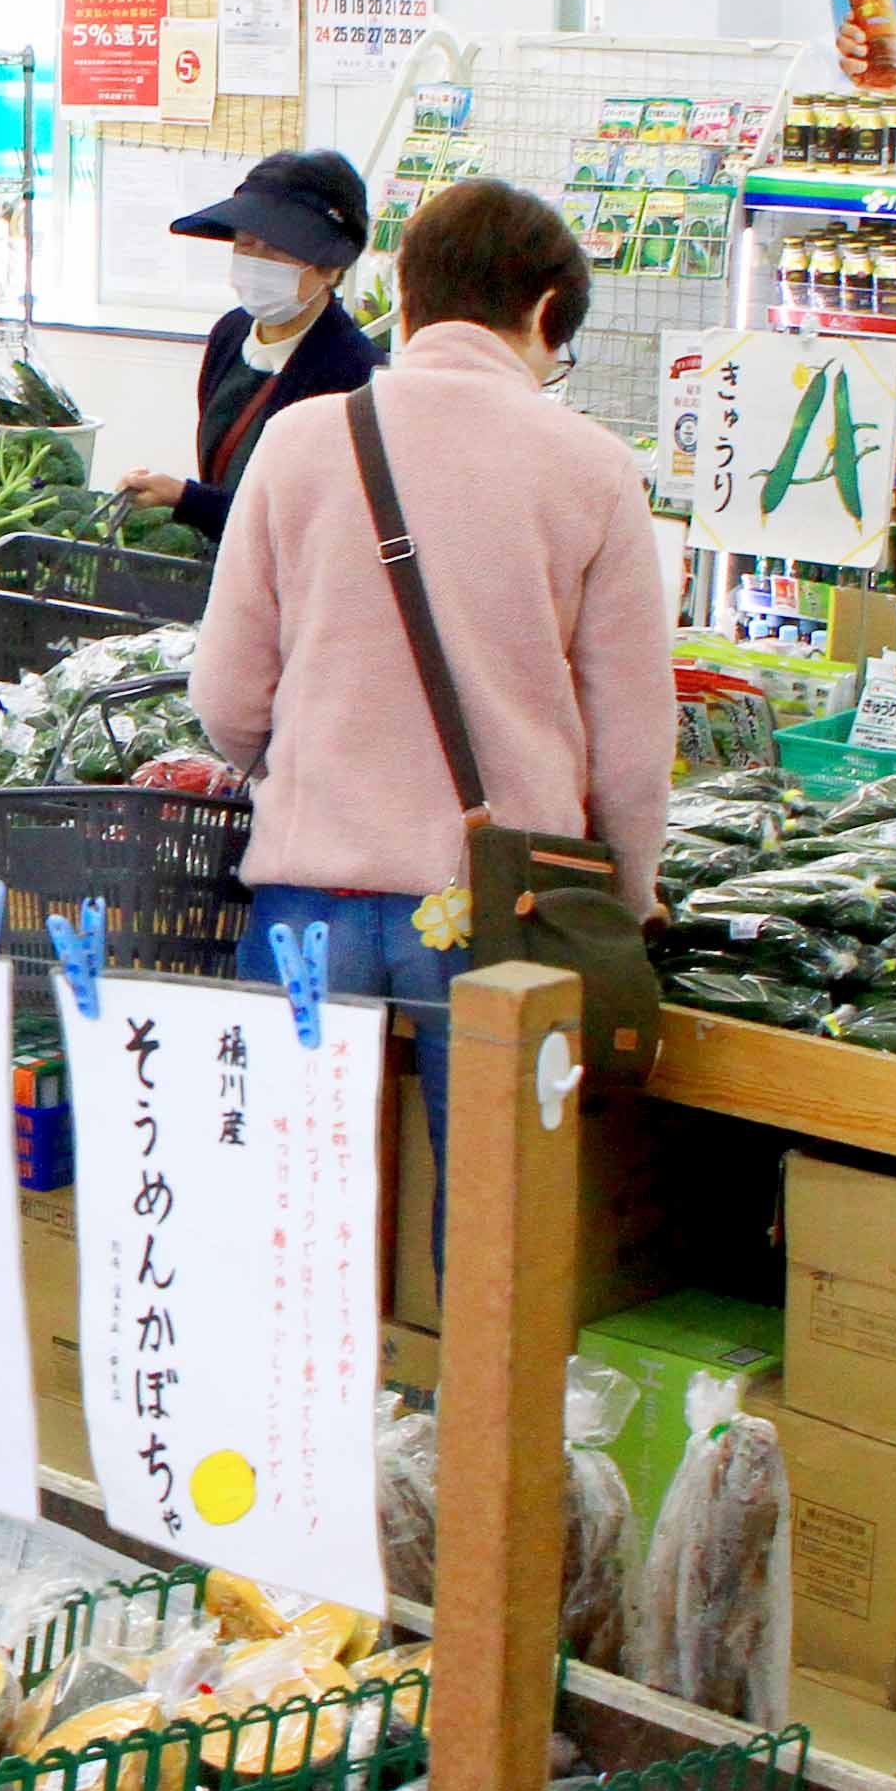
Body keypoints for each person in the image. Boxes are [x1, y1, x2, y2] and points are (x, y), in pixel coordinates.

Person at [187, 179, 672, 1140]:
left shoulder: (300, 441)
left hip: (308, 887)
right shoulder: (594, 468)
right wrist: (634, 894)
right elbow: (628, 738)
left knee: (286, 1201)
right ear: (543, 315)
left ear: (404, 295)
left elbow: (229, 693)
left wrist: (312, 770)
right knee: (495, 1228)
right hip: (500, 901)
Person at [124, 146, 378, 542]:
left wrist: (186, 499)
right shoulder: (230, 333)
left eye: (276, 248)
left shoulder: (355, 372)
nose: (256, 260)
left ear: (331, 266)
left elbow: (309, 522)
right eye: (245, 243)